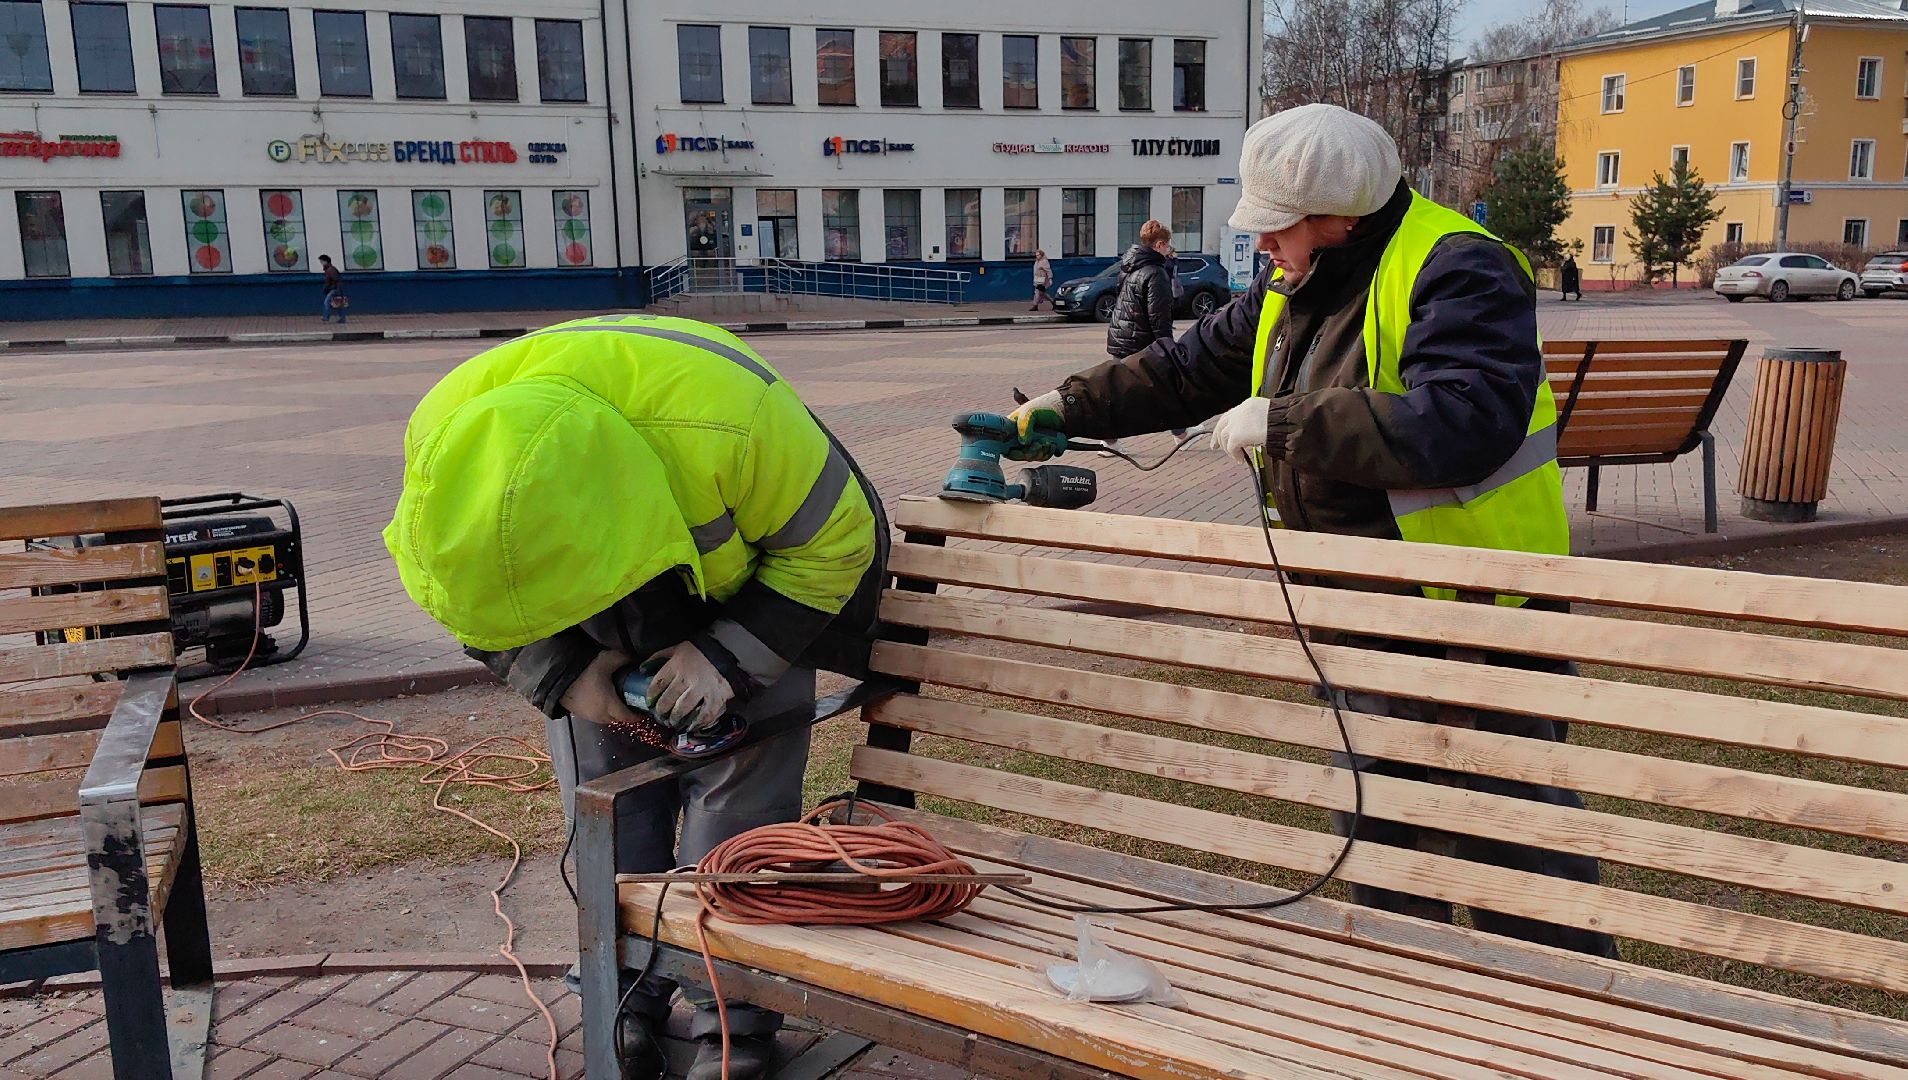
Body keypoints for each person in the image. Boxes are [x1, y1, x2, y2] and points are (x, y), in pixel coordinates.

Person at [1007, 103, 1617, 959]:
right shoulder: (1296, 280)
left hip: (1475, 613)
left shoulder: (1458, 267)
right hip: (1360, 609)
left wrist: (1287, 421)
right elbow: (1188, 368)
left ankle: (1564, 1007)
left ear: (1342, 217)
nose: (1261, 243)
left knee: (1511, 845)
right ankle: (1401, 991)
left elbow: (1466, 419)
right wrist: (1066, 406)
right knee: (1381, 836)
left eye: (1277, 225)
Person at [384, 315, 885, 1080]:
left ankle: (734, 1018)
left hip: (761, 593)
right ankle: (623, 995)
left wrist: (729, 656)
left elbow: (835, 543)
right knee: (609, 811)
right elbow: (465, 593)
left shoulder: (736, 425)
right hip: (592, 626)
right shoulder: (452, 437)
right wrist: (560, 669)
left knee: (737, 816)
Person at [1101, 221, 1177, 453]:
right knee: (1164, 385)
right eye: (1167, 246)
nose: (1169, 250)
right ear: (1160, 244)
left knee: (1125, 391)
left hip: (1121, 337)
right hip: (1140, 341)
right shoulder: (1155, 272)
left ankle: (1181, 432)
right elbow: (1158, 314)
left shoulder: (1129, 266)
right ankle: (1181, 432)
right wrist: (1166, 346)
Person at [318, 255, 346, 324]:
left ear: (326, 261)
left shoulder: (330, 270)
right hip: (334, 288)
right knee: (337, 303)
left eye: (321, 261)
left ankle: (326, 316)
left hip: (334, 289)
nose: (321, 263)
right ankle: (342, 318)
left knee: (327, 302)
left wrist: (329, 288)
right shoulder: (330, 269)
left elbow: (335, 280)